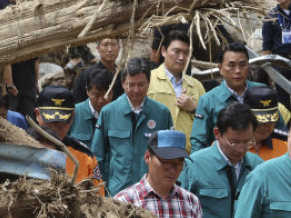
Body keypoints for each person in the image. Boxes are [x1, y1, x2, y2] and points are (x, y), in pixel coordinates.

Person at [180, 102, 261, 218]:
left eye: (247, 142)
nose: (240, 149)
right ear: (217, 134)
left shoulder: (259, 168)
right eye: (233, 142)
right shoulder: (193, 166)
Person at [114, 130, 211, 218]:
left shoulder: (191, 202)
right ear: (148, 157)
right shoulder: (125, 201)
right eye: (166, 162)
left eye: (178, 163)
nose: (172, 170)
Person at [91, 57, 174, 196]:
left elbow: (171, 155)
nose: (136, 90)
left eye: (141, 84)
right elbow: (98, 156)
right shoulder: (109, 112)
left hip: (152, 192)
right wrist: (102, 189)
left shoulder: (162, 113)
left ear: (149, 83)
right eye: (131, 84)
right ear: (123, 83)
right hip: (117, 192)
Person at [31, 85, 104, 193]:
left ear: (72, 118)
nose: (54, 128)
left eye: (61, 122)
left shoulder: (84, 156)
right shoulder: (21, 149)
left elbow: (98, 199)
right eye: (49, 122)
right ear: (37, 114)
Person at [191, 42, 259, 151]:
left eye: (242, 65)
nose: (237, 71)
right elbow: (198, 141)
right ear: (220, 68)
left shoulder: (261, 92)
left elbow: (278, 129)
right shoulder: (208, 100)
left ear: (248, 66)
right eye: (231, 65)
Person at [148, 29, 206, 151]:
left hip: (189, 156)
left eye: (186, 53)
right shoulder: (149, 80)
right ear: (163, 51)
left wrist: (195, 108)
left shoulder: (196, 86)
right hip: (156, 153)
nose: (181, 57)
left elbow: (207, 121)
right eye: (176, 51)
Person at [0, 0, 38, 118]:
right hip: (15, 82)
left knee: (29, 116)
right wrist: (10, 84)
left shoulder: (26, 5)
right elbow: (8, 62)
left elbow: (36, 60)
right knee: (13, 115)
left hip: (28, 81)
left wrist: (36, 83)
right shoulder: (2, 6)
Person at [69, 66, 114, 145]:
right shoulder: (74, 114)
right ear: (87, 91)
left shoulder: (119, 114)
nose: (100, 101)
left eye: (105, 96)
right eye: (96, 95)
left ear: (112, 93)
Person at [243, 85, 289, 161]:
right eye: (259, 121)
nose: (264, 126)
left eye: (270, 121)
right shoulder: (232, 145)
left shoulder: (285, 146)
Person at [72, 38, 123, 103]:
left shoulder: (122, 75)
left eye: (113, 45)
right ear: (98, 49)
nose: (110, 49)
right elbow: (78, 101)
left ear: (119, 48)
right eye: (105, 45)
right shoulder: (87, 75)